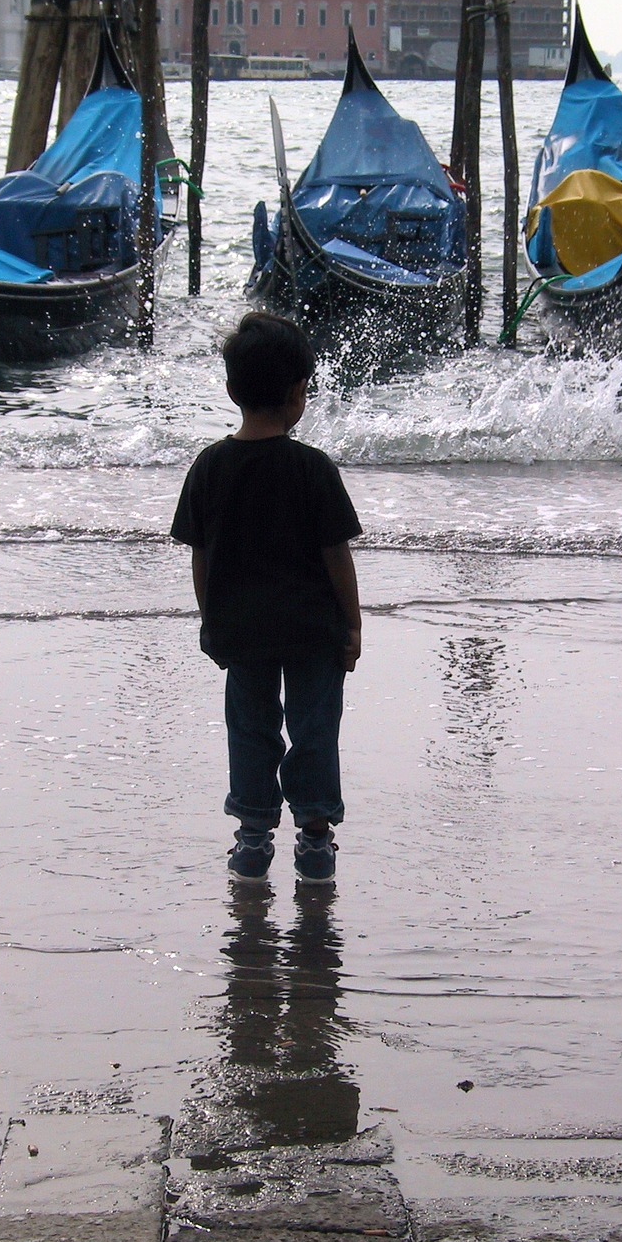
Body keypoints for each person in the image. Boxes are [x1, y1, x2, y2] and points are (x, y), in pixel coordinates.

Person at [170, 311, 362, 885]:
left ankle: (253, 839)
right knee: (314, 728)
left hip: (243, 631)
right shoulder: (312, 468)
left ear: (231, 390)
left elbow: (200, 557)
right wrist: (352, 626)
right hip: (312, 630)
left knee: (251, 729)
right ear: (299, 394)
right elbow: (337, 556)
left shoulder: (209, 466)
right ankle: (315, 840)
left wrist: (212, 621)